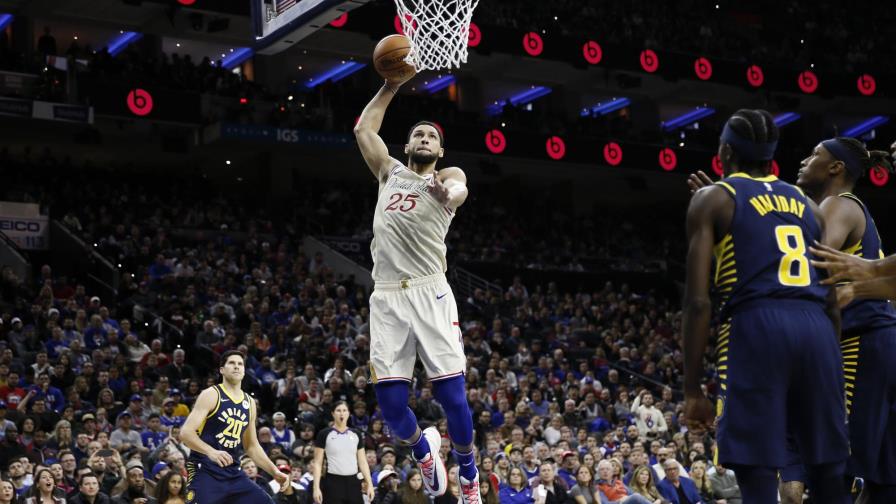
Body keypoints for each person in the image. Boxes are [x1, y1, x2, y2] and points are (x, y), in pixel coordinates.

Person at [682, 109, 850, 503]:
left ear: (724, 150)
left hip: (756, 325)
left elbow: (698, 300)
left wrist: (692, 388)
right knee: (827, 465)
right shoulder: (808, 206)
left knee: (757, 467)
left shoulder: (713, 199)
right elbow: (830, 298)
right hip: (817, 328)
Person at [353, 58, 476, 502]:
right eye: (419, 134)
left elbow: (460, 188)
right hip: (386, 298)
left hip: (429, 291)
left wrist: (450, 193)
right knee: (389, 408)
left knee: (453, 398)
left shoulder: (447, 176)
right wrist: (389, 87)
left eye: (433, 137)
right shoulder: (390, 172)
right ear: (407, 145)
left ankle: (468, 473)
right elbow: (364, 132)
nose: (425, 138)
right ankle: (424, 450)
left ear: (439, 152)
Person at [793, 138, 896, 503]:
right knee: (883, 473)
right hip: (879, 341)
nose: (805, 160)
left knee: (838, 461)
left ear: (835, 167)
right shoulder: (845, 208)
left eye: (814, 154)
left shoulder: (837, 204)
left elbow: (810, 266)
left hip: (863, 341)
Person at [180, 350, 289, 504]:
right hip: (204, 469)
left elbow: (251, 446)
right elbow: (186, 433)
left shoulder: (250, 402)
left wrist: (274, 471)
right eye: (232, 363)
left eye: (240, 364)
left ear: (244, 371)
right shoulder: (211, 394)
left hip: (232, 473)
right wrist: (211, 452)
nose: (237, 367)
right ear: (222, 369)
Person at [310, 401, 374, 504]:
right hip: (333, 482)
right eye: (338, 410)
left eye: (344, 410)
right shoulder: (324, 434)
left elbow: (362, 462)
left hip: (353, 482)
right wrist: (316, 488)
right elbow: (318, 463)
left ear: (348, 413)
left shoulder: (356, 434)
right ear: (332, 413)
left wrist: (369, 484)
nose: (341, 413)